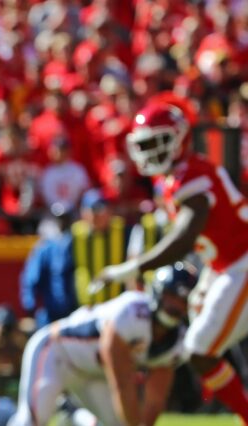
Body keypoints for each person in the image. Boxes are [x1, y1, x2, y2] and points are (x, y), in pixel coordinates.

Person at [97, 101, 248, 422]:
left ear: (179, 138)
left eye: (156, 142)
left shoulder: (191, 174)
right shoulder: (173, 179)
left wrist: (134, 267)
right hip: (227, 265)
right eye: (145, 144)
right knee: (201, 338)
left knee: (199, 349)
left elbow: (184, 238)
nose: (150, 151)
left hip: (242, 263)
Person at [8, 262, 196, 426]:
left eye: (183, 299)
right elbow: (122, 382)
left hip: (95, 374)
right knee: (31, 422)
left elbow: (155, 400)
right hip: (57, 353)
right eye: (172, 295)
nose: (177, 305)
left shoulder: (177, 343)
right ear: (157, 291)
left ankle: (73, 415)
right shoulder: (132, 313)